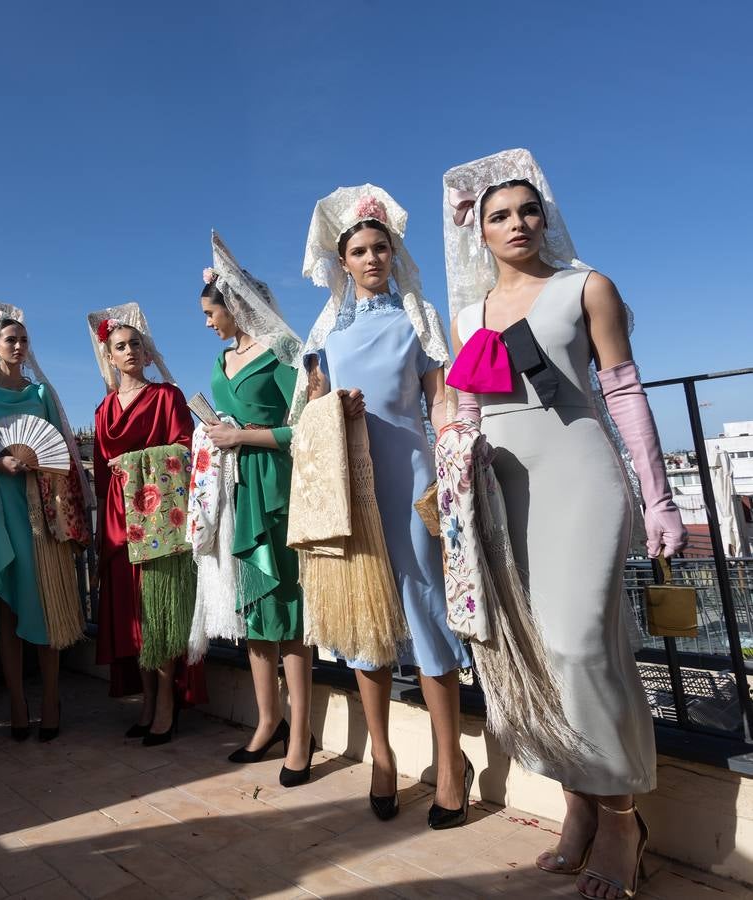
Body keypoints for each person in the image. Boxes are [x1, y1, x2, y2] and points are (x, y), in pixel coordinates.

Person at [443, 148, 686, 899]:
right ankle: (576, 811)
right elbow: (465, 415)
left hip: (581, 479)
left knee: (584, 647)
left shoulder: (587, 288)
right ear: (477, 233)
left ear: (544, 217)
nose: (517, 224)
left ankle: (621, 819)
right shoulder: (468, 317)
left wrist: (661, 499)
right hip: (503, 493)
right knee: (536, 656)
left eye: (527, 210)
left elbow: (624, 392)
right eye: (499, 216)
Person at [301, 186, 473, 825]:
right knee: (365, 619)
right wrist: (328, 409)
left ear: (393, 252)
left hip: (412, 481)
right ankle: (382, 758)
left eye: (381, 248)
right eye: (360, 251)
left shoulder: (418, 317)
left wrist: (452, 478)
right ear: (341, 261)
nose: (372, 258)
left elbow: (443, 406)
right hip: (353, 488)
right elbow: (310, 413)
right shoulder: (325, 332)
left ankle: (451, 764)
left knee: (427, 612)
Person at [200, 232, 315, 787]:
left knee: (288, 611)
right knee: (255, 614)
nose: (207, 322)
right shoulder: (222, 358)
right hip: (237, 489)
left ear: (235, 304)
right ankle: (268, 720)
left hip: (277, 486)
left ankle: (300, 733)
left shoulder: (285, 352)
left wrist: (250, 437)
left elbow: (310, 427)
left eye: (210, 311)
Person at [0, 303, 92, 742]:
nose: (18, 347)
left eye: (23, 340)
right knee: (7, 606)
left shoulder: (41, 396)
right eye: (10, 340)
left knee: (46, 602)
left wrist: (38, 467)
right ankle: (17, 702)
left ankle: (51, 699)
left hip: (41, 511)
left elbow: (65, 460)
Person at [87, 303, 206, 744]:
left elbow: (183, 448)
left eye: (136, 343)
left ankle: (166, 705)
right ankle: (148, 701)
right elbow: (101, 476)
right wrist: (102, 538)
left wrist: (133, 462)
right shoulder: (102, 411)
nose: (131, 350)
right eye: (121, 346)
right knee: (137, 618)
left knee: (162, 612)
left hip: (158, 521)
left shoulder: (167, 397)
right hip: (119, 524)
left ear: (147, 350)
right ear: (110, 358)